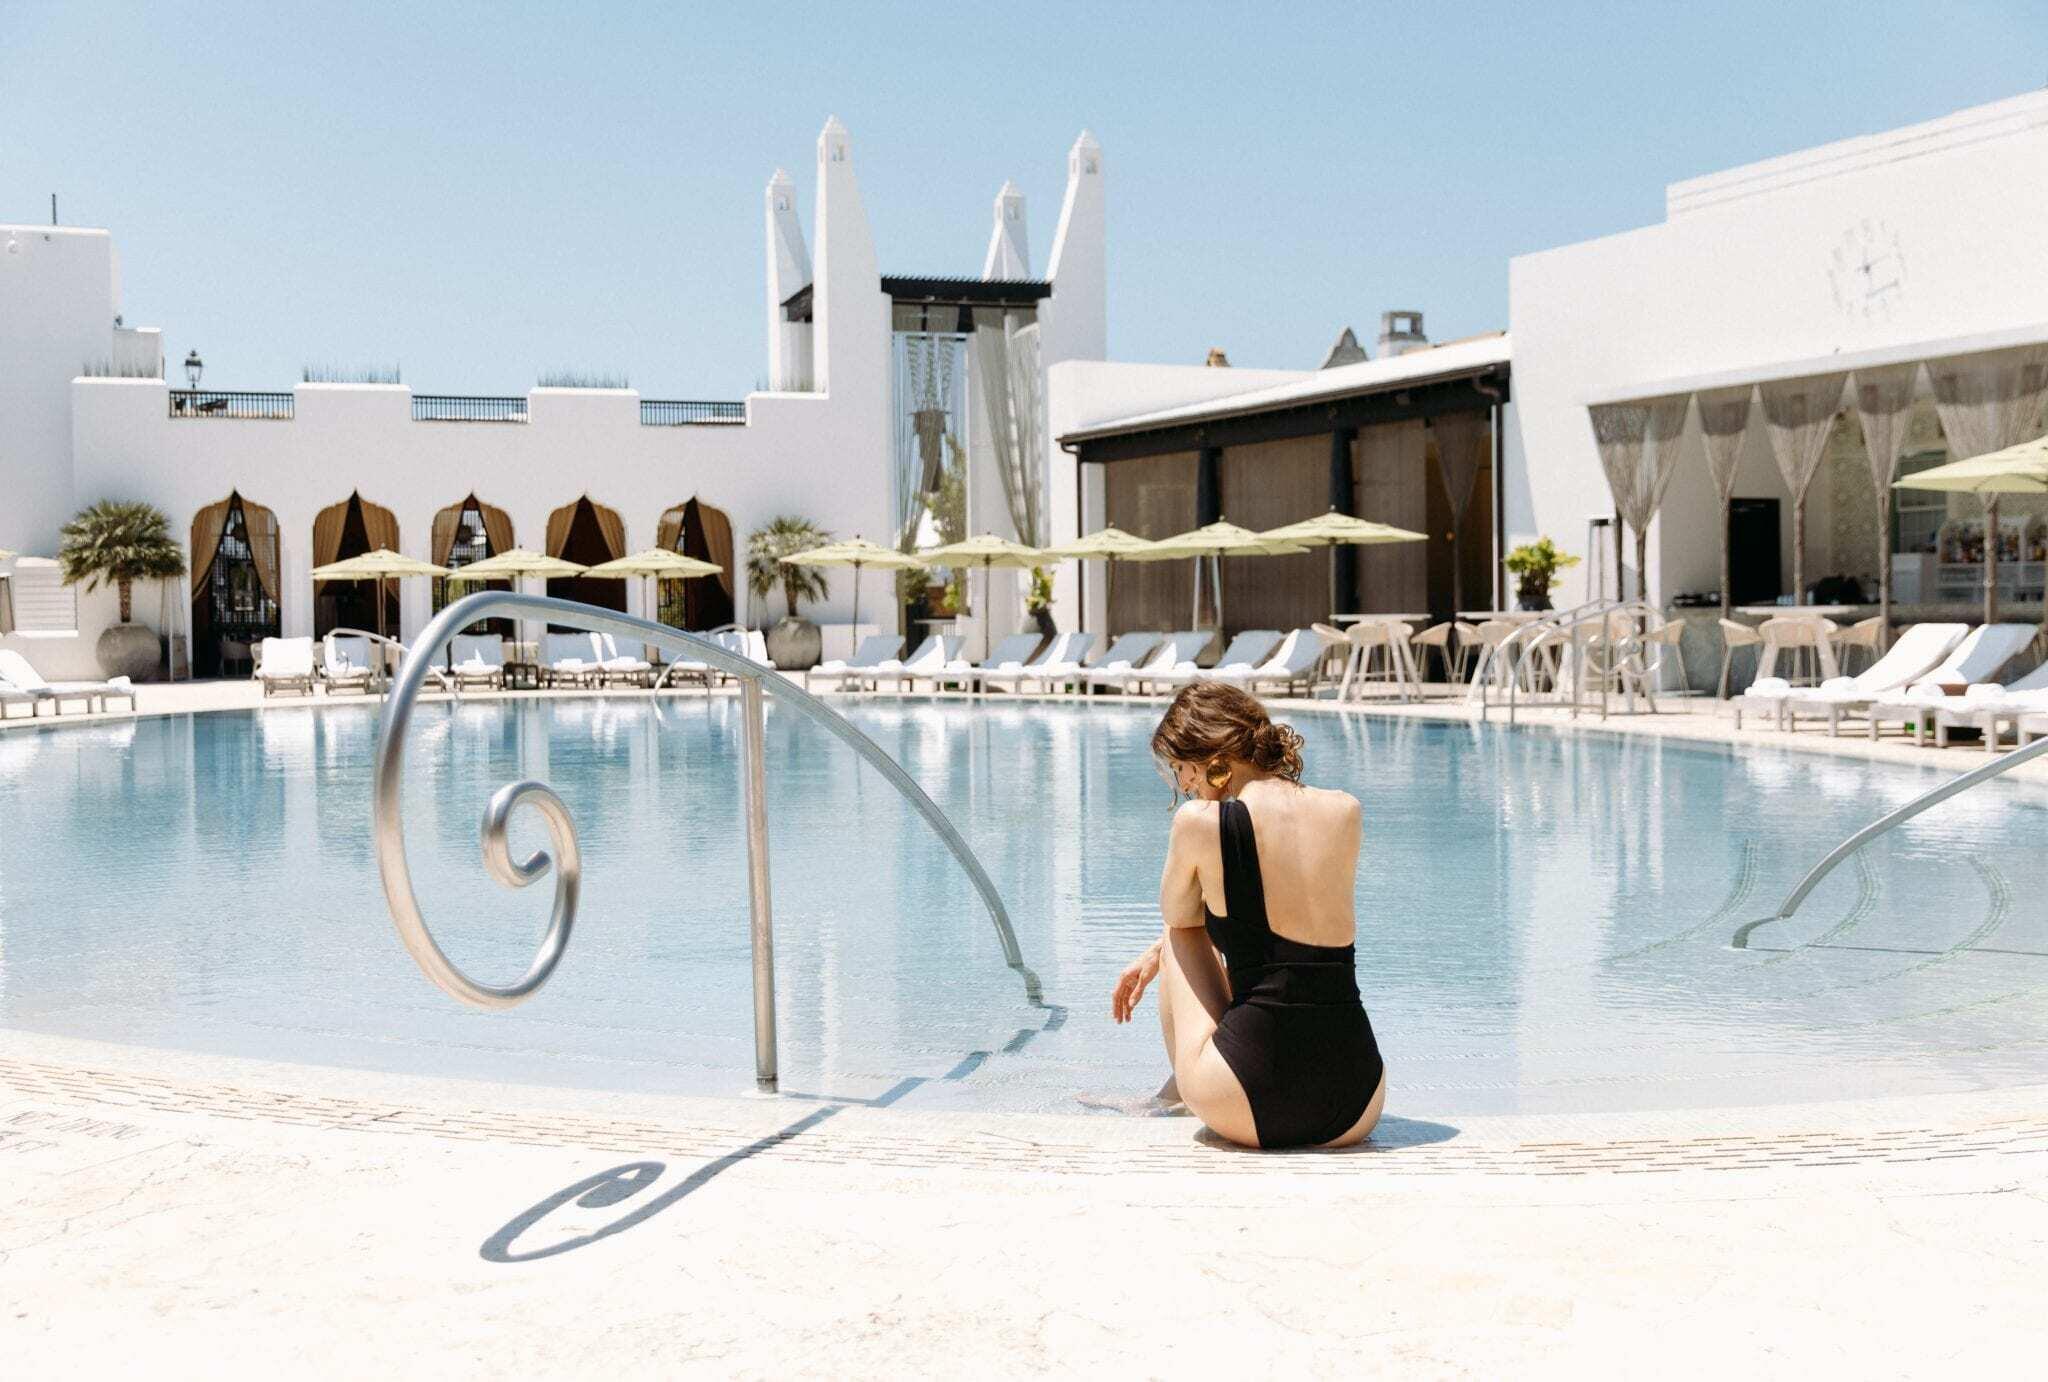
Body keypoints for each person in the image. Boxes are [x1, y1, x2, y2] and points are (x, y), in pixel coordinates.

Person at [1111, 681, 1385, 1148]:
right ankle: (1185, 1087)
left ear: (1210, 756)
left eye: (1181, 769)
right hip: (1357, 1103)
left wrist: (1162, 950)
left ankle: (1173, 1095)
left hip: (1251, 1101)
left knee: (1178, 931)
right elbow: (1286, 917)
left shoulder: (1199, 821)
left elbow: (1181, 918)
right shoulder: (1345, 809)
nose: (1185, 786)